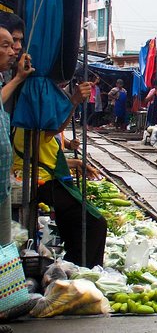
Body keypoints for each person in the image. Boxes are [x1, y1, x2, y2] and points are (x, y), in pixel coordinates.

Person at [12, 82, 108, 268]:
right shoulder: (31, 126)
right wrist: (73, 102)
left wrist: (77, 163)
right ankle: (84, 270)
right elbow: (55, 127)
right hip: (41, 183)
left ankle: (73, 264)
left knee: (75, 220)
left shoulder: (30, 126)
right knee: (95, 222)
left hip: (47, 180)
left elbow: (45, 159)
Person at [0, 21, 34, 245]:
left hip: (2, 186)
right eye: (7, 45)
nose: (14, 51)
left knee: (4, 250)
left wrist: (19, 78)